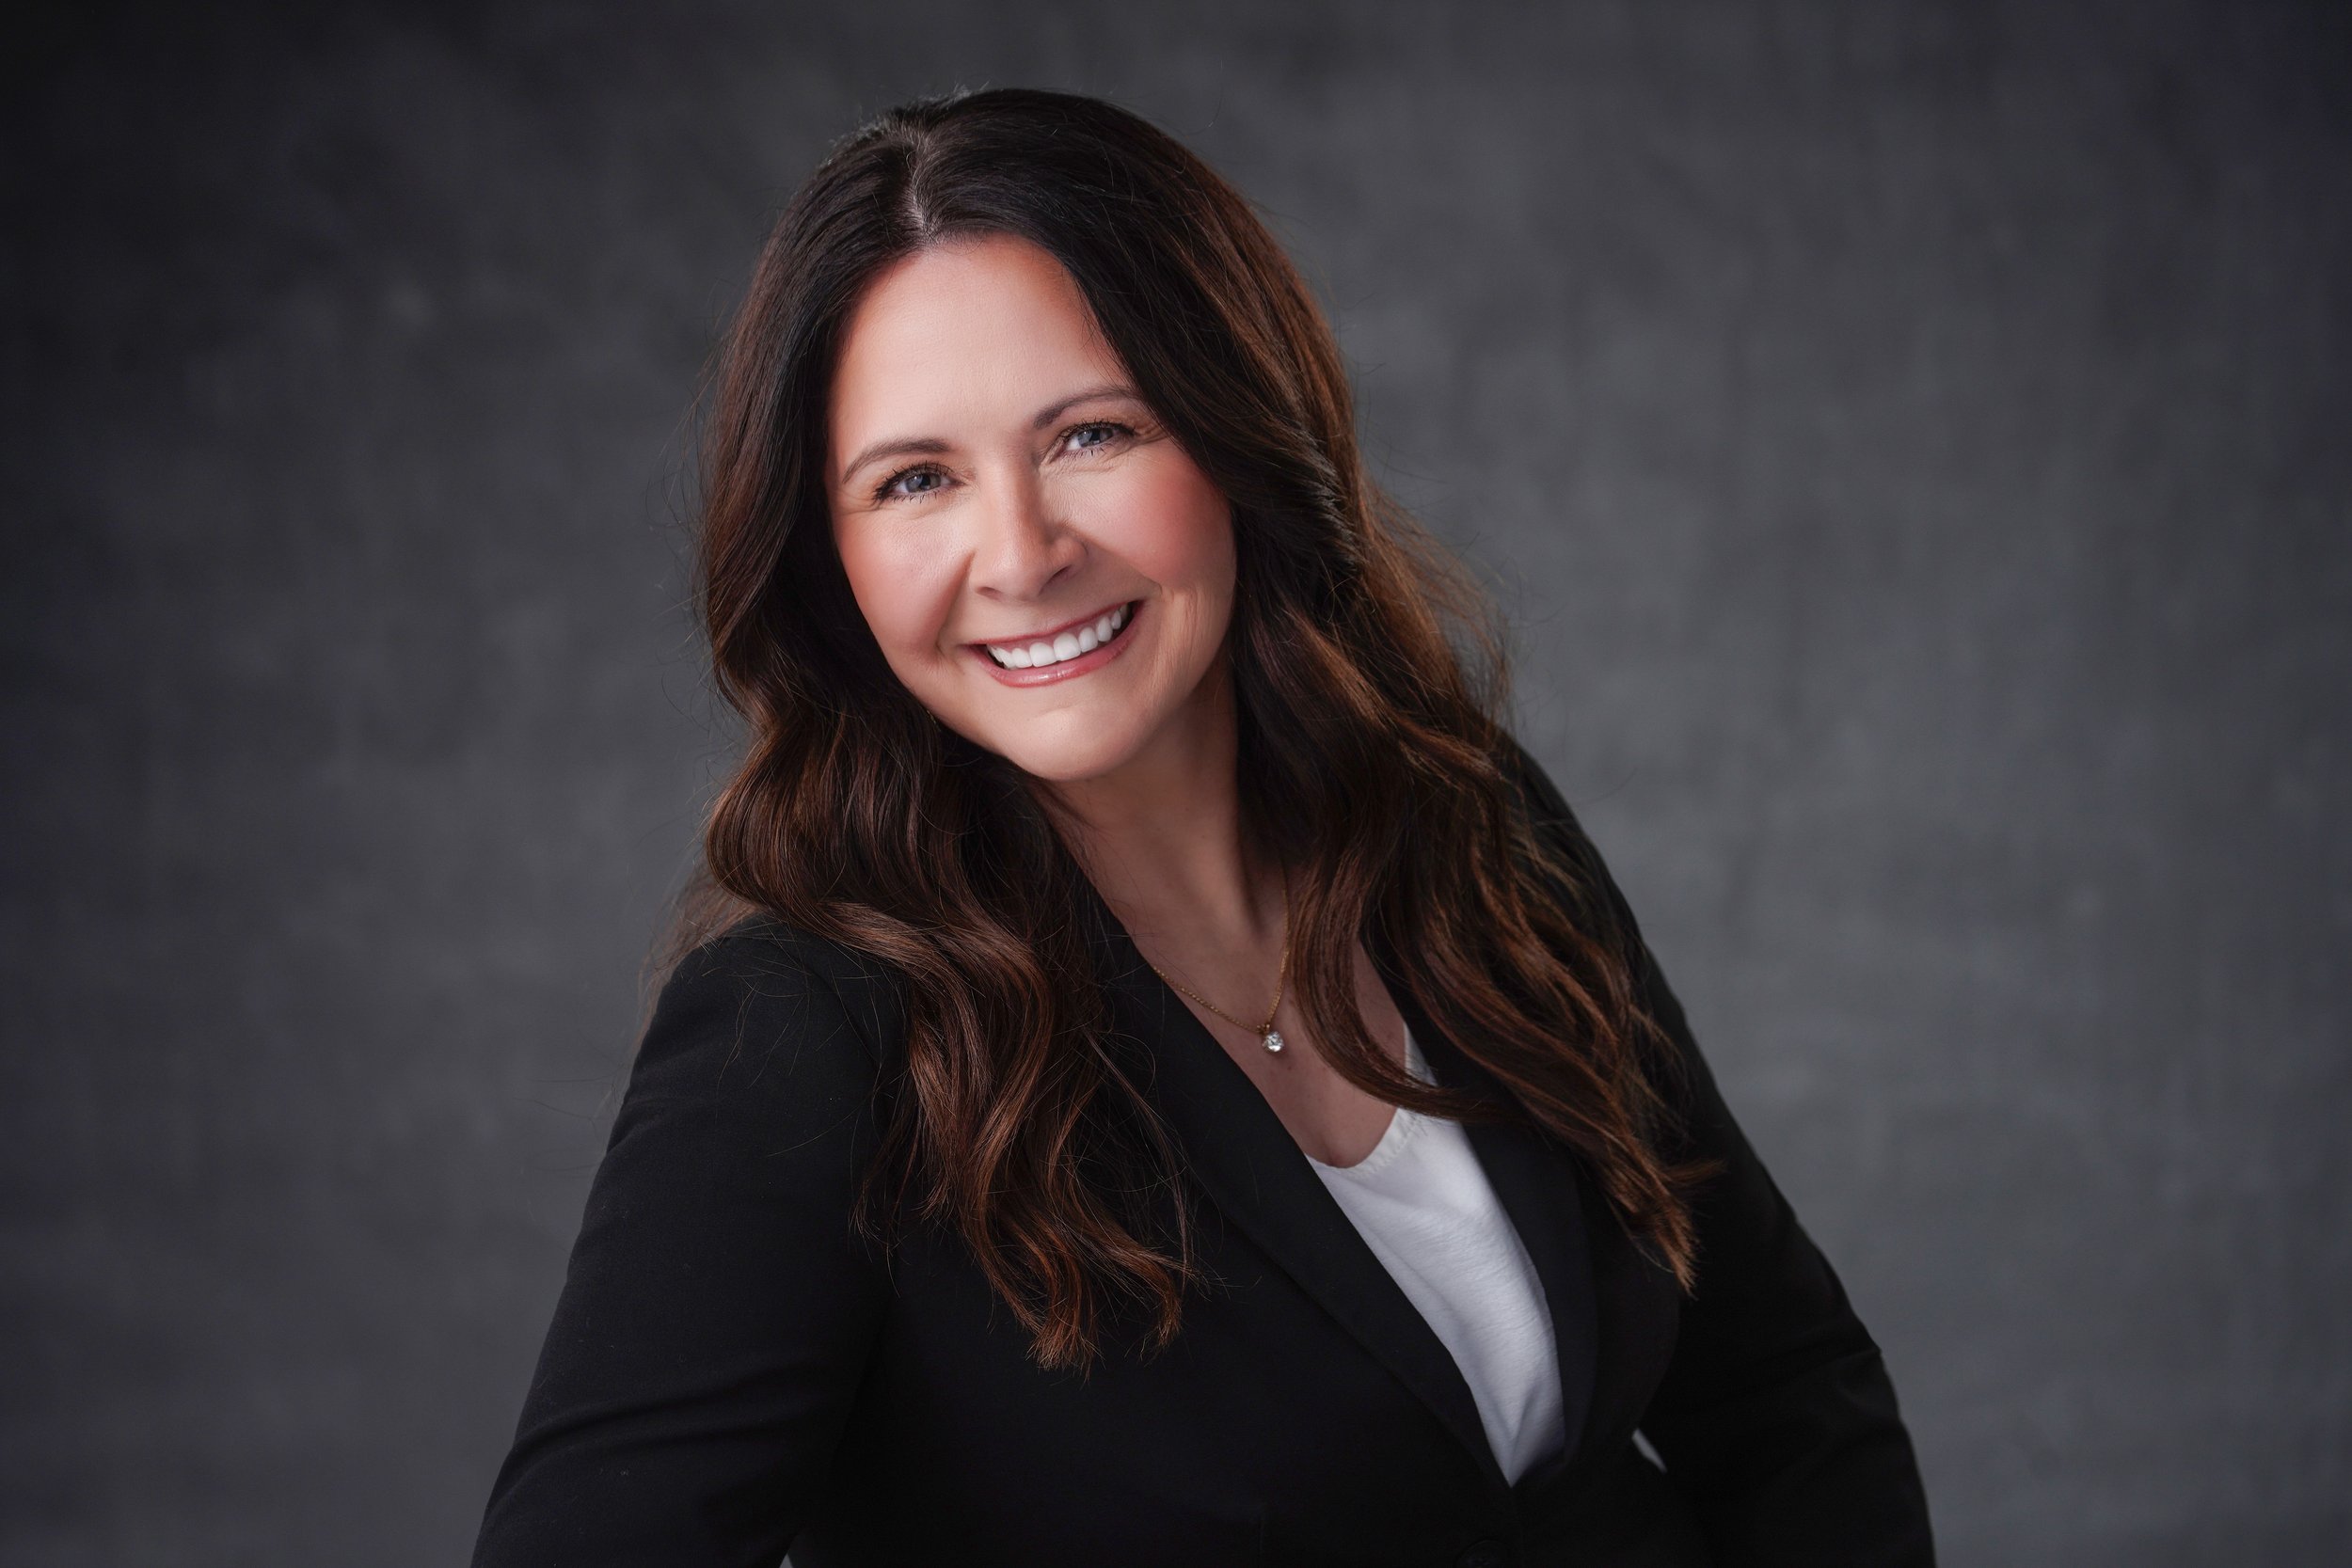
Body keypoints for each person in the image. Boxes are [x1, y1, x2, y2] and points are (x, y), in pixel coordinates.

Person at [471, 87, 1935, 1567]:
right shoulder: (804, 1034)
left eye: (1093, 433)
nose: (1023, 553)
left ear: (1238, 433)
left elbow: (1786, 1395)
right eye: (916, 480)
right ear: (826, 552)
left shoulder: (1461, 827)